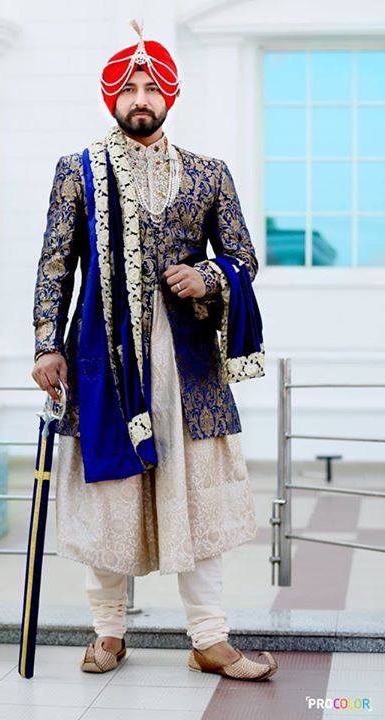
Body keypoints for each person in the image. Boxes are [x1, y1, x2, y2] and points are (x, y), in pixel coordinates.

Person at [31, 20, 277, 680]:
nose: (141, 96)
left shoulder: (208, 174)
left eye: (152, 85)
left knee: (197, 497)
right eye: (128, 86)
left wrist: (211, 276)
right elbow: (55, 265)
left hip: (190, 367)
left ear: (170, 95)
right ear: (111, 98)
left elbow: (245, 258)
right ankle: (108, 633)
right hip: (104, 363)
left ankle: (210, 639)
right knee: (113, 492)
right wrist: (45, 345)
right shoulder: (78, 172)